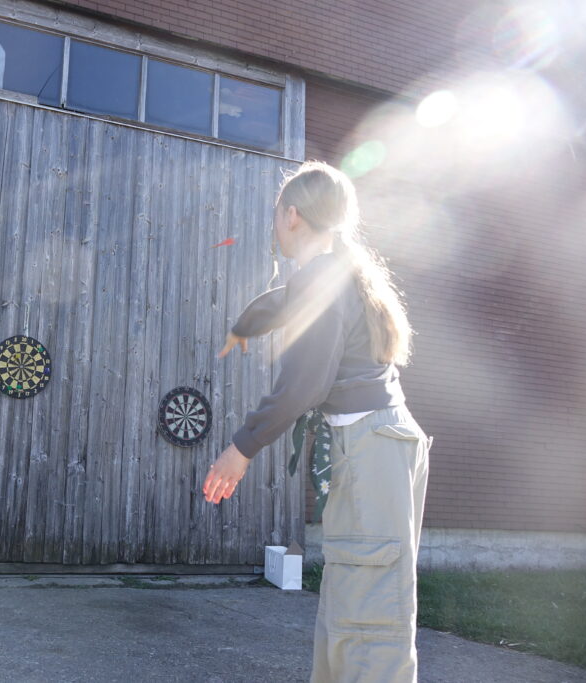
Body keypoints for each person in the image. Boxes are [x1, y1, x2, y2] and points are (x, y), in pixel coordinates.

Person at [203, 161, 432, 682]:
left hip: (372, 447)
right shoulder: (335, 273)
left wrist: (242, 448)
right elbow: (286, 303)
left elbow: (305, 385)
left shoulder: (324, 278)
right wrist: (244, 327)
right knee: (352, 601)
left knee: (369, 620)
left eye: (275, 214)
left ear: (292, 216)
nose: (274, 224)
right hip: (375, 443)